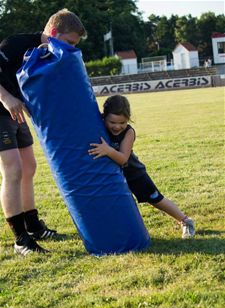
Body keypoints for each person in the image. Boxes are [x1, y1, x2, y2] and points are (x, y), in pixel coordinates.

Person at [0, 9, 87, 255]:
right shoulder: (15, 44)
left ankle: (33, 225)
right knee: (13, 170)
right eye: (69, 42)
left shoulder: (50, 55)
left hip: (15, 111)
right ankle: (20, 240)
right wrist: (6, 97)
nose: (70, 48)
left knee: (29, 167)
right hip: (2, 108)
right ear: (53, 33)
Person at [88, 94, 195, 239]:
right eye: (112, 122)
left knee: (156, 199)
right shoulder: (97, 125)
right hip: (111, 175)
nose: (117, 126)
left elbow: (123, 158)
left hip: (133, 173)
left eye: (122, 122)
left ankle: (185, 221)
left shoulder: (129, 132)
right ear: (104, 117)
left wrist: (108, 150)